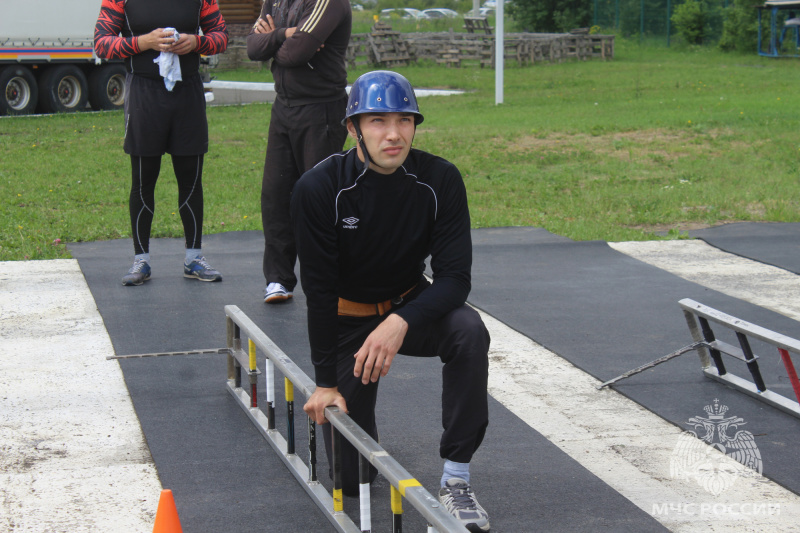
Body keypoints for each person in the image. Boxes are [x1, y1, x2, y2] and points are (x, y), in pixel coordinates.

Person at [292, 71, 491, 533]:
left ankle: (456, 478)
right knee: (352, 477)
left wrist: (400, 320)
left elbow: (454, 279)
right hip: (345, 319)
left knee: (468, 329)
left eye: (405, 120)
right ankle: (359, 432)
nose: (394, 133)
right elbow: (318, 293)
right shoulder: (319, 189)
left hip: (407, 305)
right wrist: (324, 383)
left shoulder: (439, 180)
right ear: (353, 128)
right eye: (377, 120)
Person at [94, 0, 228, 286]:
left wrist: (195, 42)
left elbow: (221, 38)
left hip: (187, 91)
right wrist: (144, 41)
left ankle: (193, 258)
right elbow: (101, 43)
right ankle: (141, 260)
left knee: (191, 180)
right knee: (143, 180)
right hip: (144, 92)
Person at [246, 0, 351, 303]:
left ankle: (326, 280)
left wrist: (276, 38)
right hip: (284, 108)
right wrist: (285, 34)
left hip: (321, 111)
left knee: (318, 198)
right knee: (275, 196)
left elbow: (297, 52)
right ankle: (278, 280)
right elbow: (253, 47)